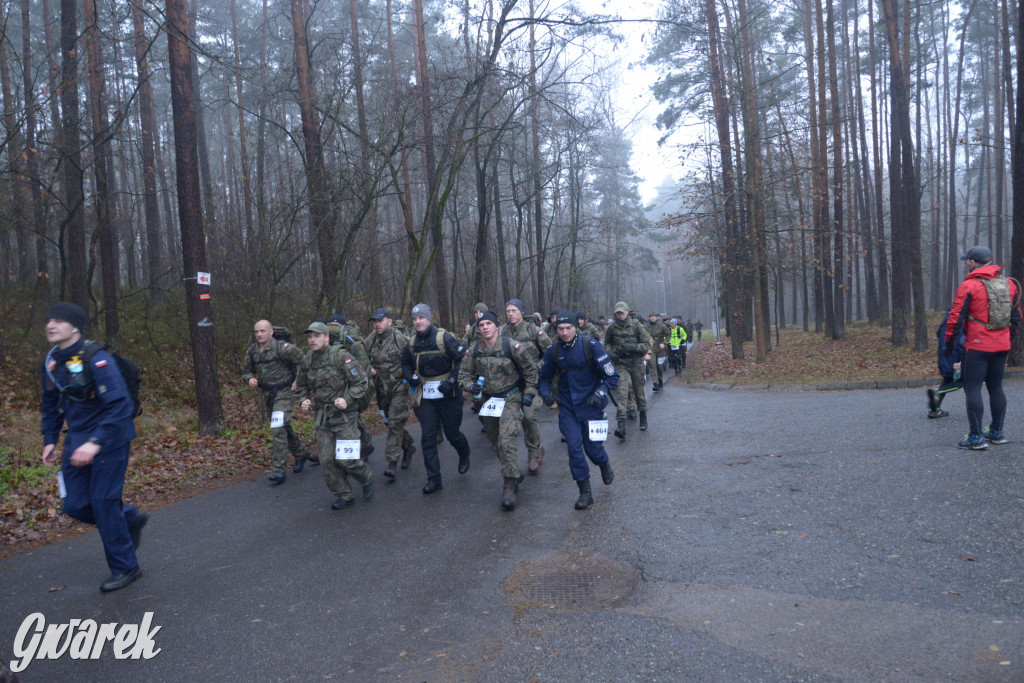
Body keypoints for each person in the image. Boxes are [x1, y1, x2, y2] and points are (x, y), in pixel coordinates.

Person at [40, 302, 147, 592]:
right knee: (74, 504)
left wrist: (95, 442)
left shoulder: (96, 358)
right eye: (49, 320)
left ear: (75, 326)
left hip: (110, 438)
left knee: (103, 503)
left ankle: (127, 568)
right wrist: (50, 439)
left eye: (59, 320)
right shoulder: (51, 362)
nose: (51, 325)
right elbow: (51, 404)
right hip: (77, 439)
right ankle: (129, 519)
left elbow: (120, 404)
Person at [538, 310, 618, 509]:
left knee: (593, 449)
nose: (565, 332)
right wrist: (546, 394)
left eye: (569, 328)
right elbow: (544, 378)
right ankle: (585, 492)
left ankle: (604, 463)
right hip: (568, 408)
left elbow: (611, 376)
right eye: (560, 329)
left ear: (576, 328)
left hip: (592, 406)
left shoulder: (590, 346)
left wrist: (601, 392)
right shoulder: (553, 350)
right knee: (574, 449)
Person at [458, 310, 538, 510]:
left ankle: (509, 485)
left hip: (510, 398)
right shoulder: (473, 350)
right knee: (496, 442)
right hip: (488, 402)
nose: (485, 327)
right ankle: (513, 472)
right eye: (481, 324)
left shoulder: (510, 346)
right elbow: (463, 376)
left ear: (496, 326)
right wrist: (470, 387)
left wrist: (528, 392)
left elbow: (530, 371)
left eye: (488, 324)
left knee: (506, 439)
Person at [945, 246, 1021, 449]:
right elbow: (1016, 317)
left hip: (978, 347)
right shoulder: (1009, 284)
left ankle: (976, 436)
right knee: (996, 387)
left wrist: (949, 346)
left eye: (967, 261)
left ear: (972, 262)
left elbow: (955, 318)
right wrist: (1007, 340)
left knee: (973, 388)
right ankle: (996, 432)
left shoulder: (969, 286)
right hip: (1002, 345)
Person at [295, 321, 375, 509]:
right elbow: (301, 386)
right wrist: (304, 400)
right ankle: (344, 494)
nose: (312, 340)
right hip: (323, 418)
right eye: (309, 337)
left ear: (326, 337)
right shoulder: (308, 360)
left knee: (346, 459)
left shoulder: (341, 356)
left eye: (316, 336)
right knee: (326, 460)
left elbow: (361, 381)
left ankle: (366, 478)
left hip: (345, 417)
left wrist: (347, 399)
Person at [401, 303, 472, 494]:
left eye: (421, 318)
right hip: (426, 396)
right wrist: (411, 376)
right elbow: (405, 364)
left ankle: (464, 453)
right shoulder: (411, 342)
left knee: (452, 433)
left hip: (448, 394)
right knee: (427, 437)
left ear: (429, 319)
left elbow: (463, 358)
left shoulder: (444, 338)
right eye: (414, 319)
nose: (417, 322)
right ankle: (434, 479)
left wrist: (451, 381)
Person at [242, 320, 311, 484]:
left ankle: (279, 470)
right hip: (268, 395)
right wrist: (250, 379)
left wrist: (298, 381)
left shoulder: (283, 348)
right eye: (257, 331)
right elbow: (246, 371)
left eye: (263, 331)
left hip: (285, 393)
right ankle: (301, 454)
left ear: (271, 332)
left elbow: (304, 361)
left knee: (277, 428)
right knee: (283, 426)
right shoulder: (253, 351)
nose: (259, 334)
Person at [366, 308, 417, 481]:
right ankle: (408, 446)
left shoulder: (400, 339)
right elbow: (361, 358)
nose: (377, 324)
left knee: (395, 421)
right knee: (389, 422)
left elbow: (413, 359)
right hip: (381, 388)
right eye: (375, 322)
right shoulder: (371, 340)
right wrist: (368, 369)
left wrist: (411, 380)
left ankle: (391, 464)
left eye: (380, 321)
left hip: (399, 386)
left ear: (390, 321)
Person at [501, 298, 551, 474]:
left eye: (514, 310)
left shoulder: (534, 331)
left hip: (534, 382)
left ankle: (533, 454)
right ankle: (537, 447)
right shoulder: (503, 332)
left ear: (521, 312)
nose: (511, 314)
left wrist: (538, 367)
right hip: (512, 383)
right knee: (516, 419)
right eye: (508, 311)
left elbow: (550, 353)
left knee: (529, 416)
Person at [603, 301, 652, 438]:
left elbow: (647, 344)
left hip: (636, 362)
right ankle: (621, 425)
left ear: (627, 312)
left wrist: (634, 348)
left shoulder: (636, 325)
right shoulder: (612, 327)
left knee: (639, 391)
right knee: (622, 392)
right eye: (617, 313)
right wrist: (610, 353)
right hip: (620, 363)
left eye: (622, 313)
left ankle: (643, 416)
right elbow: (606, 343)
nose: (620, 315)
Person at [328, 313, 374, 458]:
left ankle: (358, 453)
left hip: (350, 386)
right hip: (339, 386)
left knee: (351, 417)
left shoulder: (349, 339)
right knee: (350, 416)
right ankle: (363, 446)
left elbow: (362, 369)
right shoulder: (351, 338)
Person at [927, 308, 966, 419]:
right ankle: (974, 411)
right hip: (956, 360)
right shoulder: (963, 321)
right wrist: (962, 361)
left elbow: (940, 336)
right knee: (967, 382)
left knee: (947, 381)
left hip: (944, 359)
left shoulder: (946, 321)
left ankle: (935, 410)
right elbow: (963, 342)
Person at [646, 312, 670, 391]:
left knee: (659, 367)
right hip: (651, 349)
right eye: (651, 316)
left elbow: (668, 335)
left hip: (660, 350)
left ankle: (660, 379)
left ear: (657, 318)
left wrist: (664, 343)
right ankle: (655, 383)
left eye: (654, 316)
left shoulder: (661, 326)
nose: (652, 318)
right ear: (649, 318)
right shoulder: (646, 327)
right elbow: (642, 337)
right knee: (652, 366)